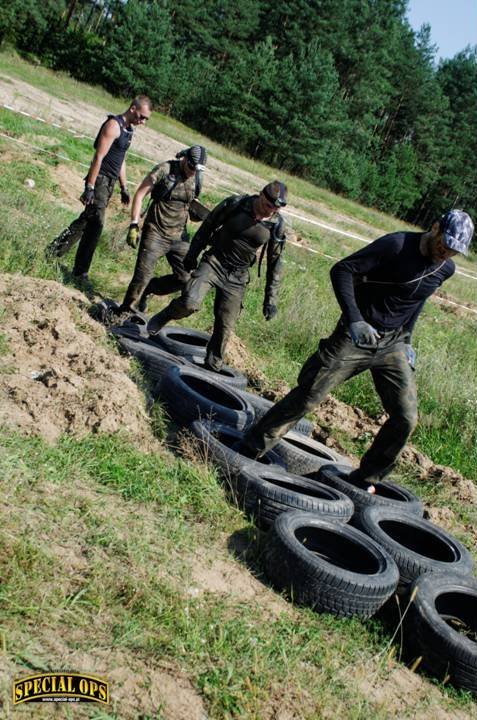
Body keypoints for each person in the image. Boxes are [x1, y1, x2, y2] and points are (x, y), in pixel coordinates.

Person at [241, 209, 474, 492]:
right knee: (309, 395)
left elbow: (416, 301)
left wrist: (408, 340)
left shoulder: (444, 268)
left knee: (406, 417)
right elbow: (342, 269)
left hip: (393, 344)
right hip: (357, 335)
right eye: (444, 244)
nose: (445, 253)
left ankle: (366, 480)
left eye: (453, 251)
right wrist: (354, 319)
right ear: (435, 227)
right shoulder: (396, 245)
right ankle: (251, 448)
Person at [146, 180, 288, 371]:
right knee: (190, 303)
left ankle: (213, 365)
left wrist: (270, 300)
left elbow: (275, 264)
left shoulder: (276, 225)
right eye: (267, 205)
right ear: (261, 195)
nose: (269, 211)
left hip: (237, 277)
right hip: (214, 262)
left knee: (225, 325)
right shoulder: (236, 204)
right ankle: (165, 315)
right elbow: (208, 226)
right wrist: (192, 255)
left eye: (274, 210)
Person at [46, 95, 153, 280]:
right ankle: (81, 272)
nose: (142, 121)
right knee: (96, 224)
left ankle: (54, 251)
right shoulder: (113, 125)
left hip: (110, 182)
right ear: (133, 108)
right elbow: (99, 157)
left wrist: (124, 187)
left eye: (146, 119)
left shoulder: (129, 130)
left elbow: (121, 159)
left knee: (86, 221)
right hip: (100, 180)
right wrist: (90, 186)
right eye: (141, 116)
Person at [119, 145, 208, 313]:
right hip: (155, 233)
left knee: (186, 278)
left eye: (197, 170)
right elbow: (139, 194)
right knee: (142, 277)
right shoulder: (165, 170)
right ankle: (125, 312)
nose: (192, 172)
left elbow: (191, 205)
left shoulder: (197, 179)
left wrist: (201, 215)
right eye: (190, 167)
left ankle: (151, 289)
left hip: (179, 237)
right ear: (184, 159)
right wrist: (134, 224)